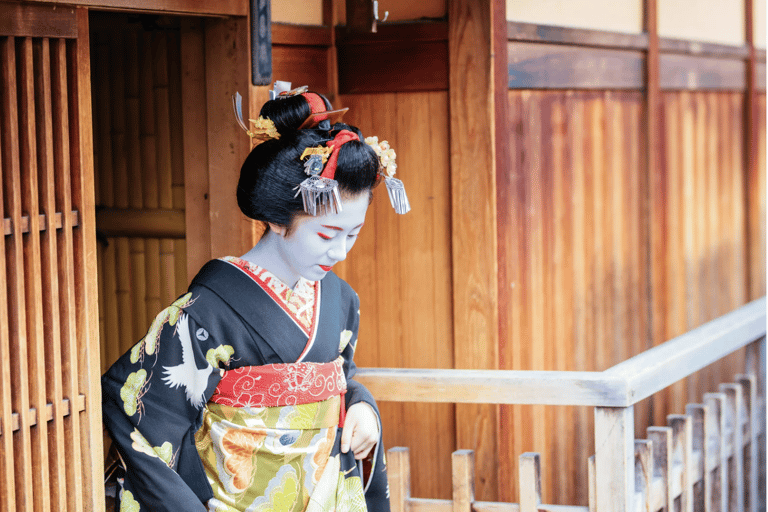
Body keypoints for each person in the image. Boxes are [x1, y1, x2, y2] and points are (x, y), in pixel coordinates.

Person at [101, 88, 404, 512]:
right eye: (326, 234)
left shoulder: (341, 300)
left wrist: (361, 406)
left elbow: (341, 379)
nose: (340, 252)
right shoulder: (206, 312)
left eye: (352, 234)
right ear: (277, 219)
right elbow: (138, 408)